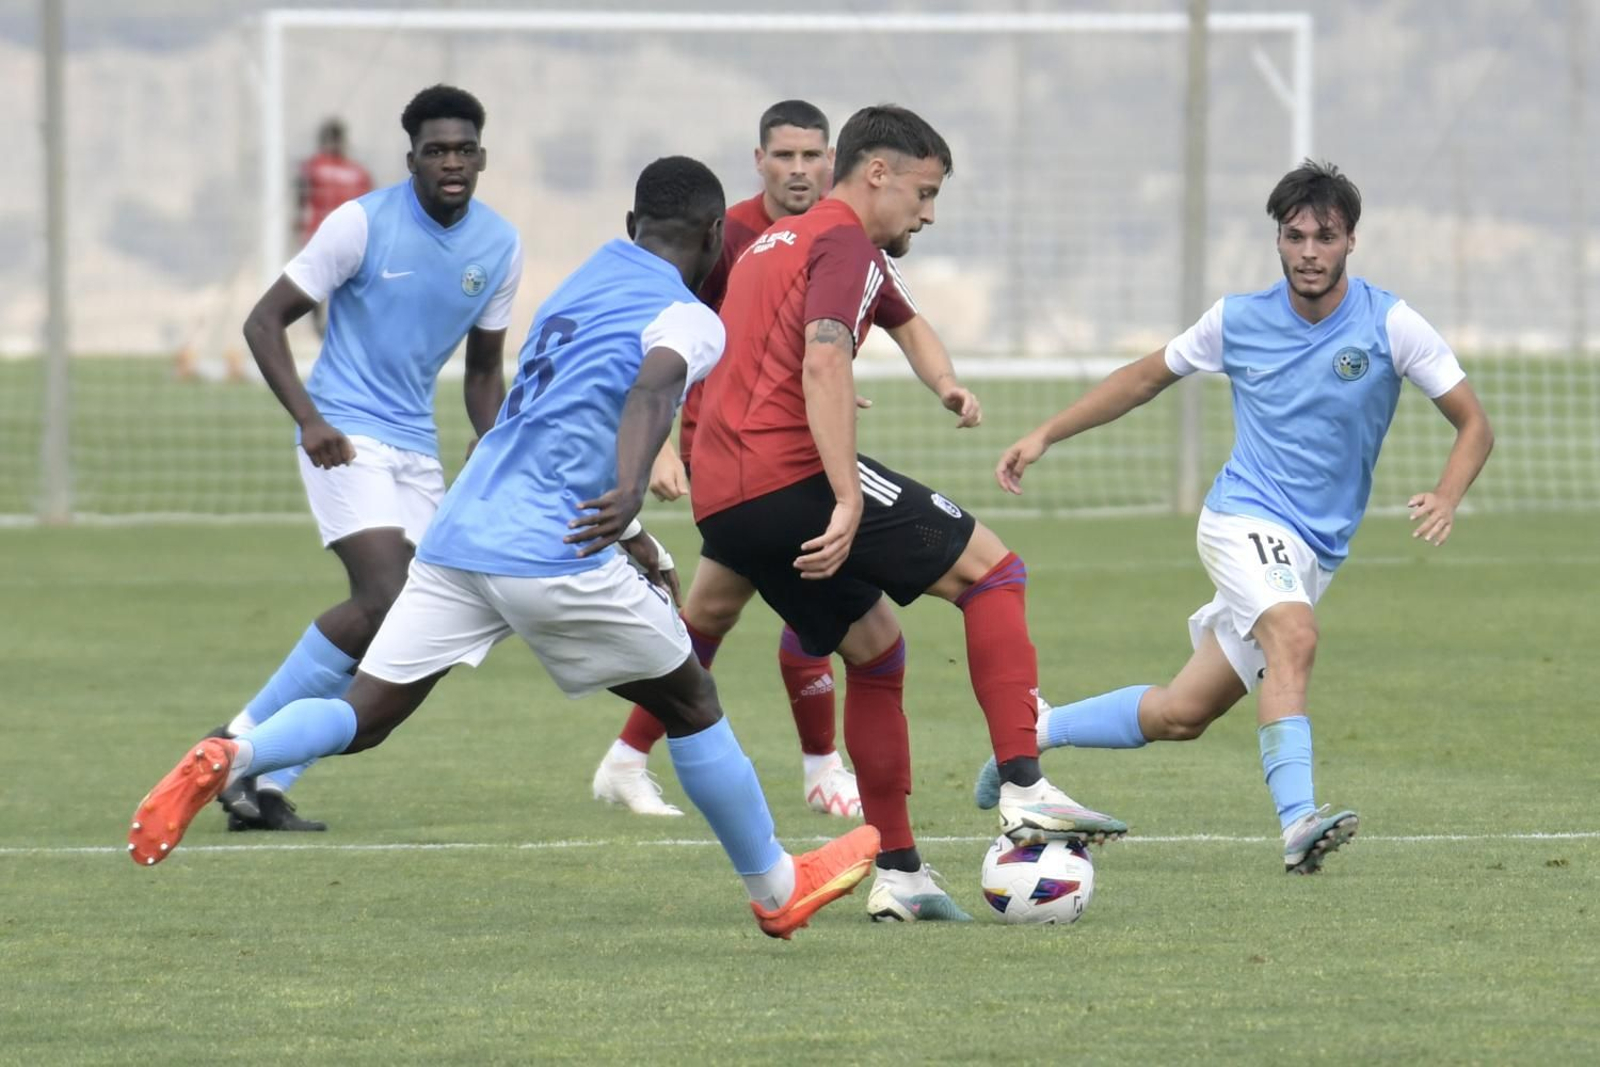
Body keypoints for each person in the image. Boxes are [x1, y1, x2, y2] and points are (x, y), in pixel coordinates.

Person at [128, 156, 880, 940]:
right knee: (691, 702)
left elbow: (556, 417)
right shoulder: (689, 316)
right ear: (715, 237)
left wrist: (630, 528)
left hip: (461, 534)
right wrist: (628, 492)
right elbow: (653, 388)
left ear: (631, 228)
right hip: (549, 549)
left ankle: (233, 750)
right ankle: (776, 886)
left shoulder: (583, 284)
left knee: (369, 710)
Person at [974, 160, 1494, 874]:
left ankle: (1031, 730)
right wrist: (1045, 434)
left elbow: (1473, 423)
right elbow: (1143, 377)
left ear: (1351, 242)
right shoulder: (1237, 319)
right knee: (1295, 634)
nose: (1309, 251)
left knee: (1183, 712)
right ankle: (1297, 821)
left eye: (1326, 237)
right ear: (1278, 240)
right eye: (1295, 236)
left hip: (1313, 550)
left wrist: (1447, 492)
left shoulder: (1390, 323)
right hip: (1241, 516)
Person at [691, 104, 1126, 923]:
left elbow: (898, 320)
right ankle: (1026, 788)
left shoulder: (775, 244)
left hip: (727, 503)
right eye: (923, 194)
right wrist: (848, 493)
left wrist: (946, 383)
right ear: (877, 173)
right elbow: (825, 355)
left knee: (876, 646)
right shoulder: (843, 240)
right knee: (994, 571)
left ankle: (901, 870)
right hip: (790, 477)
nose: (928, 214)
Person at [592, 100, 983, 822]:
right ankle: (821, 768)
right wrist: (670, 446)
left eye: (812, 156)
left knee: (722, 606)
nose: (800, 169)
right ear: (759, 161)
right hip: (736, 449)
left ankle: (635, 756)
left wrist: (944, 382)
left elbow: (897, 317)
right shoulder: (729, 235)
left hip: (771, 446)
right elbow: (674, 343)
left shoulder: (840, 235)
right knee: (830, 599)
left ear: (834, 163)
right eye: (785, 156)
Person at [210, 85, 522, 832]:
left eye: (463, 149)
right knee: (386, 595)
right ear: (411, 158)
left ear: (482, 156)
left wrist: (496, 433)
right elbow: (263, 323)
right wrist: (310, 418)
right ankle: (234, 744)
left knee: (429, 621)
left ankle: (259, 771)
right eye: (436, 151)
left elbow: (484, 371)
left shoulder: (499, 245)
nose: (451, 162)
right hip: (343, 431)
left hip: (416, 446)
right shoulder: (359, 223)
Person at [297, 118, 375, 336]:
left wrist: (298, 228)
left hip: (319, 235)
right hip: (351, 238)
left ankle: (322, 331)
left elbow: (301, 199)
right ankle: (336, 330)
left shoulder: (312, 167)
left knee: (314, 286)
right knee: (345, 287)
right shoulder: (358, 172)